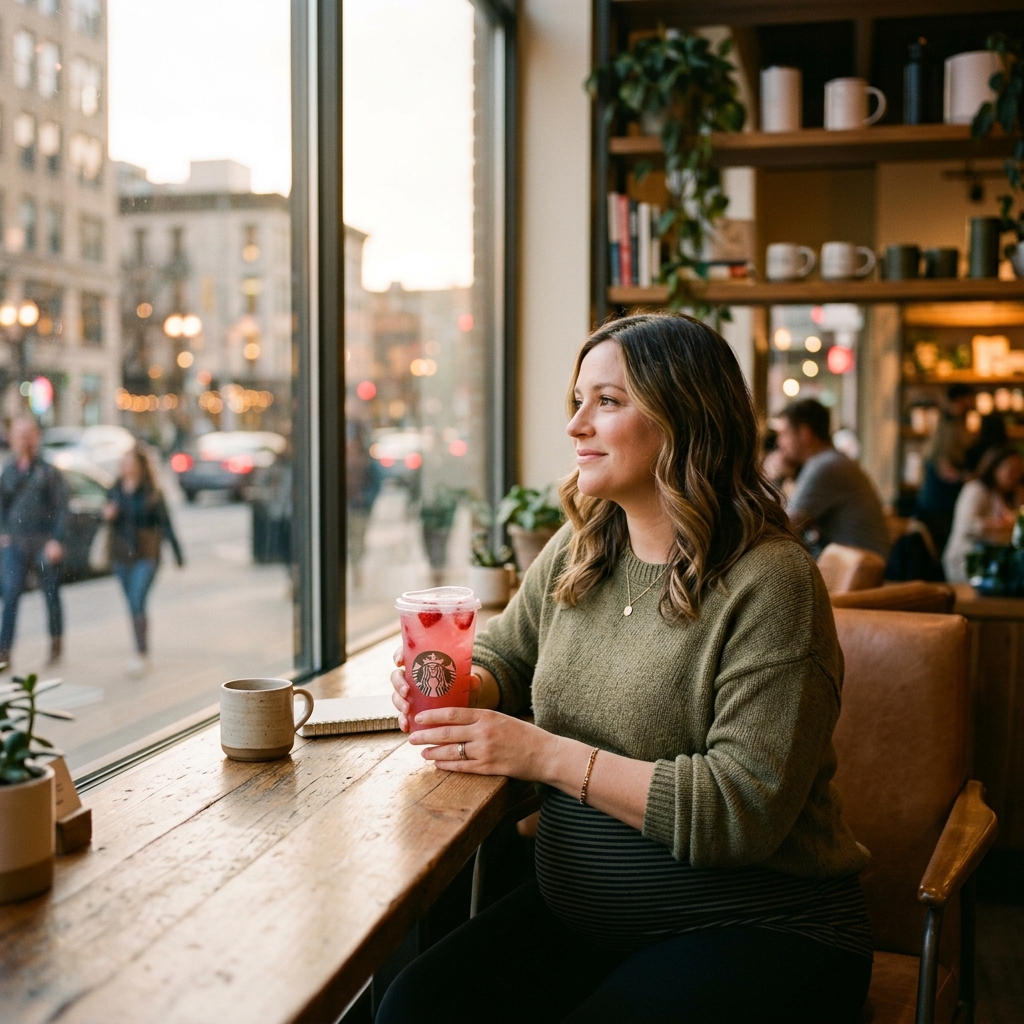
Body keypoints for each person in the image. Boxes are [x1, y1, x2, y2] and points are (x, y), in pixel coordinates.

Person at [379, 314, 872, 1024]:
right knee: (413, 1008)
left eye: (607, 402)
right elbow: (505, 655)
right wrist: (459, 684)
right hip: (584, 919)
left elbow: (741, 810)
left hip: (760, 927)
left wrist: (544, 754)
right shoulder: (583, 548)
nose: (577, 424)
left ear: (687, 417)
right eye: (577, 401)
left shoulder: (773, 583)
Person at [775, 399, 890, 559]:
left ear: (805, 434)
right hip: (851, 567)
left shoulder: (824, 467)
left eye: (784, 434)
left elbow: (782, 528)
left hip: (857, 576)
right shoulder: (830, 461)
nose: (779, 443)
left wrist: (774, 477)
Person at [103, 444, 184, 675]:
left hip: (146, 554)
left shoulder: (152, 492)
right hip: (121, 555)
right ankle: (139, 650)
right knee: (132, 603)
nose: (127, 468)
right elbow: (106, 516)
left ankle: (141, 652)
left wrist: (178, 554)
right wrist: (108, 514)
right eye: (124, 463)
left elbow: (166, 524)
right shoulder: (115, 489)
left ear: (140, 466)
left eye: (131, 463)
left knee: (137, 599)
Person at [0, 416, 68, 668]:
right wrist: (4, 533)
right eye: (19, 435)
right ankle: (4, 651)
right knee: (10, 595)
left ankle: (56, 643)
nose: (24, 440)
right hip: (15, 543)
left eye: (28, 434)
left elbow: (61, 508)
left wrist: (56, 540)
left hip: (43, 541)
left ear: (36, 437)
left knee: (51, 595)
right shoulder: (8, 470)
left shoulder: (48, 471)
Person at [943, 445, 1024, 584]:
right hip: (967, 559)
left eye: (1018, 471)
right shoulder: (976, 490)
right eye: (1010, 470)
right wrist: (1001, 524)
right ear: (994, 467)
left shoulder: (1006, 496)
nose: (1015, 476)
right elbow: (966, 526)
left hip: (993, 562)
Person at [915, 383, 976, 556]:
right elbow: (945, 470)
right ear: (957, 400)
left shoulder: (952, 423)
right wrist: (970, 478)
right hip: (939, 503)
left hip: (937, 501)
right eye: (967, 401)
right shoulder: (948, 427)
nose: (970, 405)